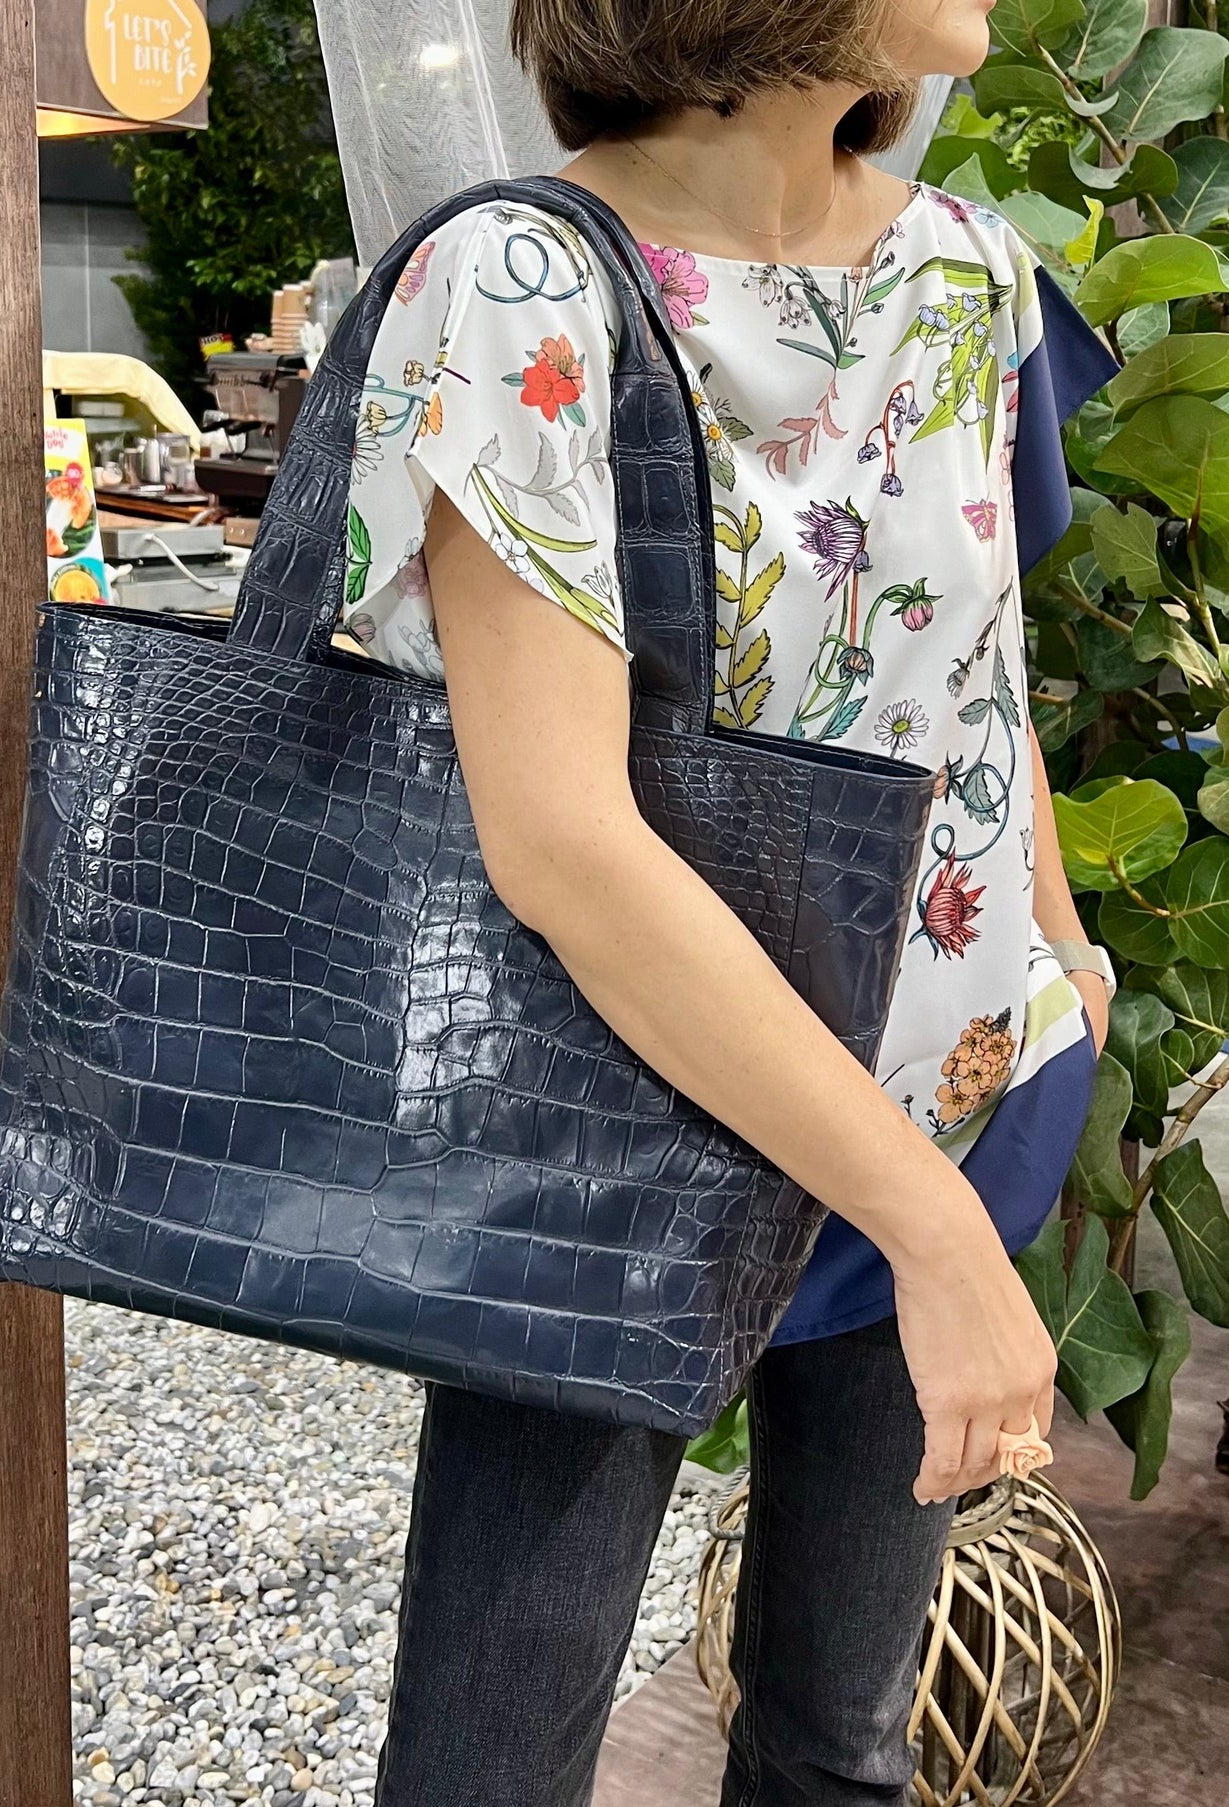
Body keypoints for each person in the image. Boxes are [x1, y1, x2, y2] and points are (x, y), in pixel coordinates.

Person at [338, 1, 1117, 1800]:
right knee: (489, 1761)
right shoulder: (517, 279)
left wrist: (1059, 966)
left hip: (955, 1085)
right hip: (627, 1123)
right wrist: (929, 1228)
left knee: (840, 1742)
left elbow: (974, 685)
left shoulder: (967, 271)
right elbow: (563, 843)